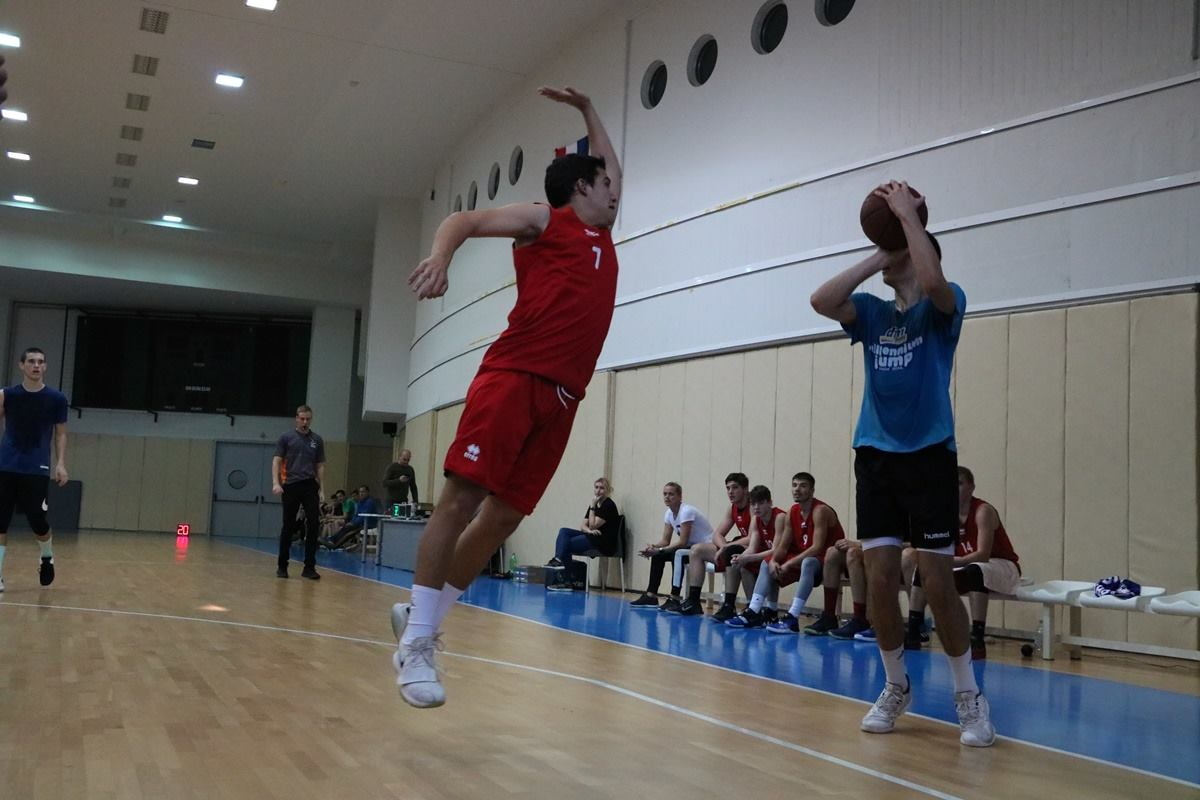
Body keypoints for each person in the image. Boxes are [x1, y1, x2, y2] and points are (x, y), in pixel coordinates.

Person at [389, 86, 622, 709]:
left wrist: (588, 109)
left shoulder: (603, 235)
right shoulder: (547, 220)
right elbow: (463, 220)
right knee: (461, 500)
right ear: (581, 188)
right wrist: (440, 258)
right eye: (605, 183)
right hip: (515, 377)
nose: (616, 190)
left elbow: (608, 162)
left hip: (564, 398)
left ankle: (422, 619)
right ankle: (416, 643)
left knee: (504, 517)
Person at [810, 180, 995, 747]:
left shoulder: (945, 303)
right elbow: (821, 300)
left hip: (930, 457)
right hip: (876, 457)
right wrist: (880, 254)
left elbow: (933, 282)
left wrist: (909, 219)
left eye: (901, 252)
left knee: (937, 582)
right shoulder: (871, 312)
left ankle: (969, 696)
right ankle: (895, 684)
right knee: (880, 577)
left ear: (920, 251)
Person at [906, 467, 1020, 660]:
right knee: (924, 569)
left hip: (1001, 565)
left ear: (971, 487)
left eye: (959, 483)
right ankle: (914, 630)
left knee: (976, 570)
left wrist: (950, 562)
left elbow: (983, 555)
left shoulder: (983, 511)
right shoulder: (945, 514)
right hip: (964, 566)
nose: (954, 488)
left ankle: (977, 637)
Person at [0, 347, 69, 592]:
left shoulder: (56, 399)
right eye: (31, 361)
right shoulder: (7, 395)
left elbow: (60, 434)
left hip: (36, 468)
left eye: (40, 361)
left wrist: (60, 463)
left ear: (45, 366)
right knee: (0, 521)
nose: (36, 365)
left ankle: (47, 557)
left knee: (37, 519)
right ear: (22, 365)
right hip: (6, 466)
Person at [764, 473, 846, 633]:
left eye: (803, 486)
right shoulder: (792, 512)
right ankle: (758, 609)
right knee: (767, 562)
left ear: (812, 490)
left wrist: (789, 563)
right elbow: (783, 547)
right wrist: (774, 560)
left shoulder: (820, 510)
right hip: (806, 560)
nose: (797, 489)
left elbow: (817, 548)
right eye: (794, 485)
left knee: (808, 562)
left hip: (828, 561)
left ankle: (792, 616)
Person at [676, 473, 753, 620]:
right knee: (696, 550)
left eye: (735, 488)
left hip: (756, 548)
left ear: (745, 489)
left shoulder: (753, 506)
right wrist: (723, 546)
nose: (730, 492)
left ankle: (729, 606)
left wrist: (726, 548)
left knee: (731, 551)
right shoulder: (732, 508)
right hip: (738, 547)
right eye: (728, 488)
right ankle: (694, 601)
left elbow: (752, 538)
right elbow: (717, 534)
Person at [630, 482, 713, 610]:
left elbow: (683, 542)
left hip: (704, 548)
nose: (667, 497)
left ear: (680, 497)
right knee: (658, 556)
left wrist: (659, 550)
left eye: (671, 494)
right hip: (690, 548)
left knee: (676, 554)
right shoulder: (669, 513)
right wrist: (654, 547)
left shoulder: (686, 511)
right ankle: (651, 595)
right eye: (665, 494)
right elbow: (665, 540)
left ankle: (675, 598)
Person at [272, 405, 325, 580]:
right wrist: (276, 483)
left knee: (314, 523)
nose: (305, 422)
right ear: (296, 419)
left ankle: (309, 567)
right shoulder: (286, 438)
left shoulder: (317, 440)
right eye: (302, 419)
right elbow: (277, 461)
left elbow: (320, 465)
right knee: (288, 525)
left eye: (308, 419)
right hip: (291, 484)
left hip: (309, 485)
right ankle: (282, 566)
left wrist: (322, 489)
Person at [724, 485, 788, 628]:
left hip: (787, 555)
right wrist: (741, 557)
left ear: (770, 503)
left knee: (768, 563)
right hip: (771, 557)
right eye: (753, 504)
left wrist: (748, 558)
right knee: (745, 565)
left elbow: (776, 550)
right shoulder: (756, 520)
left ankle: (768, 610)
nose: (756, 507)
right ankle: (752, 608)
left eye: (761, 503)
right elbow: (752, 548)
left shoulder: (780, 517)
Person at [547, 477, 619, 592]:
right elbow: (583, 526)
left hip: (603, 541)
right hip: (592, 536)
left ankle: (566, 581)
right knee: (564, 531)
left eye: (602, 488)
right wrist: (589, 531)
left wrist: (592, 508)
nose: (598, 491)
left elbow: (593, 525)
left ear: (608, 490)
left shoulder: (608, 505)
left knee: (567, 544)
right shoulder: (594, 504)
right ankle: (558, 560)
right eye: (596, 487)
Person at [322, 486, 379, 550]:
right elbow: (356, 515)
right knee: (347, 527)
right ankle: (334, 542)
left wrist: (354, 523)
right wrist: (352, 522)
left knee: (348, 528)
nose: (361, 493)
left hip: (368, 523)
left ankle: (334, 542)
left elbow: (364, 516)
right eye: (360, 492)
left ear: (368, 492)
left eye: (363, 492)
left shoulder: (370, 502)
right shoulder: (360, 502)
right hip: (360, 523)